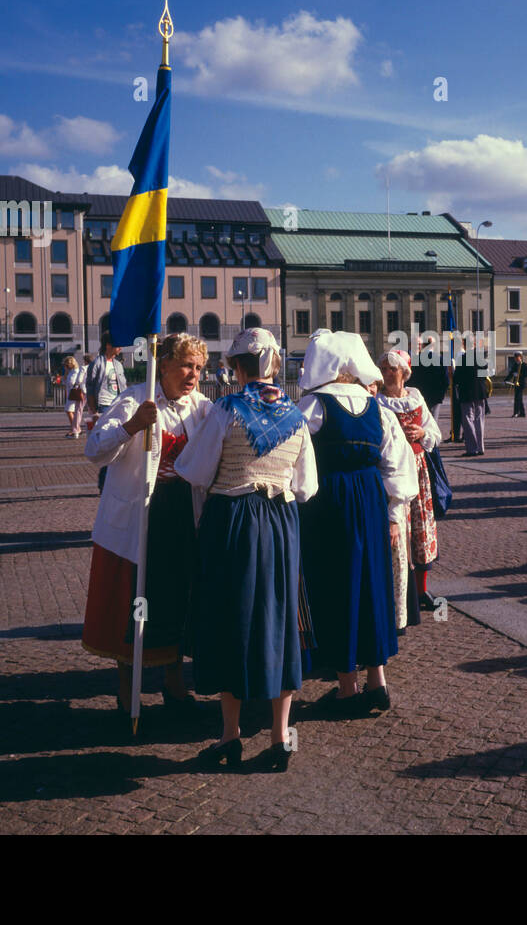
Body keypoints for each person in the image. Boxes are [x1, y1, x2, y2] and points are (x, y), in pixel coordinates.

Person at [175, 328, 315, 772]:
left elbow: (194, 470)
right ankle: (278, 737)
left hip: (232, 518)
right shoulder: (296, 415)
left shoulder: (225, 410)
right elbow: (306, 486)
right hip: (280, 522)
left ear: (236, 367)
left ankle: (230, 735)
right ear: (272, 364)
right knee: (281, 616)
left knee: (231, 618)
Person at [81, 333, 212, 720]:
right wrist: (132, 426)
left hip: (181, 515)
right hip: (139, 517)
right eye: (187, 365)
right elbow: (95, 450)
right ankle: (128, 693)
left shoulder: (202, 408)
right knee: (131, 605)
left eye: (199, 368)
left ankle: (175, 685)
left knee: (177, 599)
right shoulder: (136, 398)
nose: (193, 375)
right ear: (165, 364)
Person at [298, 332, 417, 714]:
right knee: (372, 583)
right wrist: (394, 512)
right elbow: (398, 463)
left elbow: (291, 456)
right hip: (370, 498)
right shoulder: (376, 407)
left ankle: (347, 686)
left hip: (328, 500)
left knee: (336, 586)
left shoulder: (313, 406)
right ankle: (376, 681)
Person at [377, 348, 442, 615]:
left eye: (392, 368)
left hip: (417, 469)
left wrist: (422, 431)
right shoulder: (378, 401)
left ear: (404, 373)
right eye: (384, 368)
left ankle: (420, 589)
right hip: (392, 471)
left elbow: (435, 433)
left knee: (420, 527)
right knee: (397, 530)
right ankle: (398, 592)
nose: (387, 373)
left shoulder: (416, 398)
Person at [87, 334, 128, 494]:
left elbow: (122, 387)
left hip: (117, 405)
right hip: (103, 407)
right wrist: (94, 411)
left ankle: (112, 482)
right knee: (107, 445)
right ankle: (104, 483)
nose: (121, 348)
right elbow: (90, 389)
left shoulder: (118, 365)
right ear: (109, 345)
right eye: (118, 345)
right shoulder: (97, 363)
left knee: (119, 444)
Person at [453, 348, 486, 456]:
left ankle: (472, 448)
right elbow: (485, 374)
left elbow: (456, 378)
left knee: (468, 420)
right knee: (479, 420)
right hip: (480, 393)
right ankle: (480, 447)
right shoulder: (482, 359)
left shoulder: (463, 359)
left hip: (467, 393)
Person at [411, 336, 449, 423]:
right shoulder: (440, 359)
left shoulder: (416, 359)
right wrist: (441, 394)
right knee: (433, 421)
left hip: (420, 394)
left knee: (422, 421)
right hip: (436, 395)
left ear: (423, 345)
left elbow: (412, 379)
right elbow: (446, 380)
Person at [62, 355, 86, 438]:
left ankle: (76, 429)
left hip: (74, 394)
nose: (66, 366)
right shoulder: (71, 371)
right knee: (70, 411)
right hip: (70, 394)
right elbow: (64, 381)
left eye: (67, 365)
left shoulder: (76, 371)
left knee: (69, 411)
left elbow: (73, 382)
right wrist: (65, 372)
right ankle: (75, 428)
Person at [504, 353, 527, 417]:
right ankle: (522, 413)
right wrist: (506, 380)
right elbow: (511, 373)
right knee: (519, 398)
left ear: (520, 357)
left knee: (517, 398)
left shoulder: (524, 365)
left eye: (517, 357)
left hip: (521, 383)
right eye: (515, 358)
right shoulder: (515, 365)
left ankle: (516, 412)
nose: (516, 359)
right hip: (516, 383)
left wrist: (518, 375)